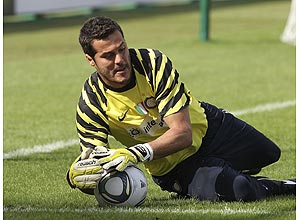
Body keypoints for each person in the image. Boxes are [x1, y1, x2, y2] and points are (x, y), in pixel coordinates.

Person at [66, 16, 295, 202]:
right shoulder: (91, 101)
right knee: (242, 189)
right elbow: (93, 164)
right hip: (173, 166)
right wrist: (79, 177)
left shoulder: (152, 63)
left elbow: (183, 133)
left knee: (269, 153)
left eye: (122, 49)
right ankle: (280, 185)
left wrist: (134, 153)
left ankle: (219, 171)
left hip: (209, 130)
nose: (119, 60)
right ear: (90, 59)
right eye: (108, 55)